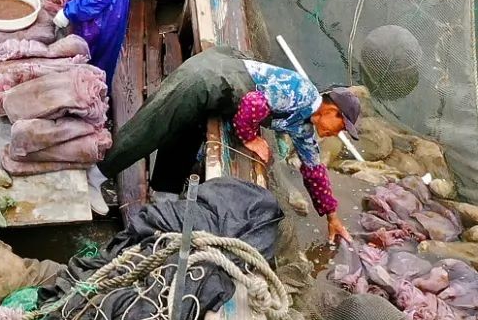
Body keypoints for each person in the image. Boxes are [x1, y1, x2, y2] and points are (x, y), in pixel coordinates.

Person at [102, 45, 357, 245]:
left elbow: (314, 171)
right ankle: (99, 172)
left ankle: (163, 195)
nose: (337, 133)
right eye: (341, 126)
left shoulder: (304, 125)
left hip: (221, 85)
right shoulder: (302, 94)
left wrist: (331, 217)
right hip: (207, 77)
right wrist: (250, 138)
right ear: (331, 111)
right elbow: (253, 105)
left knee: (184, 129)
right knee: (150, 127)